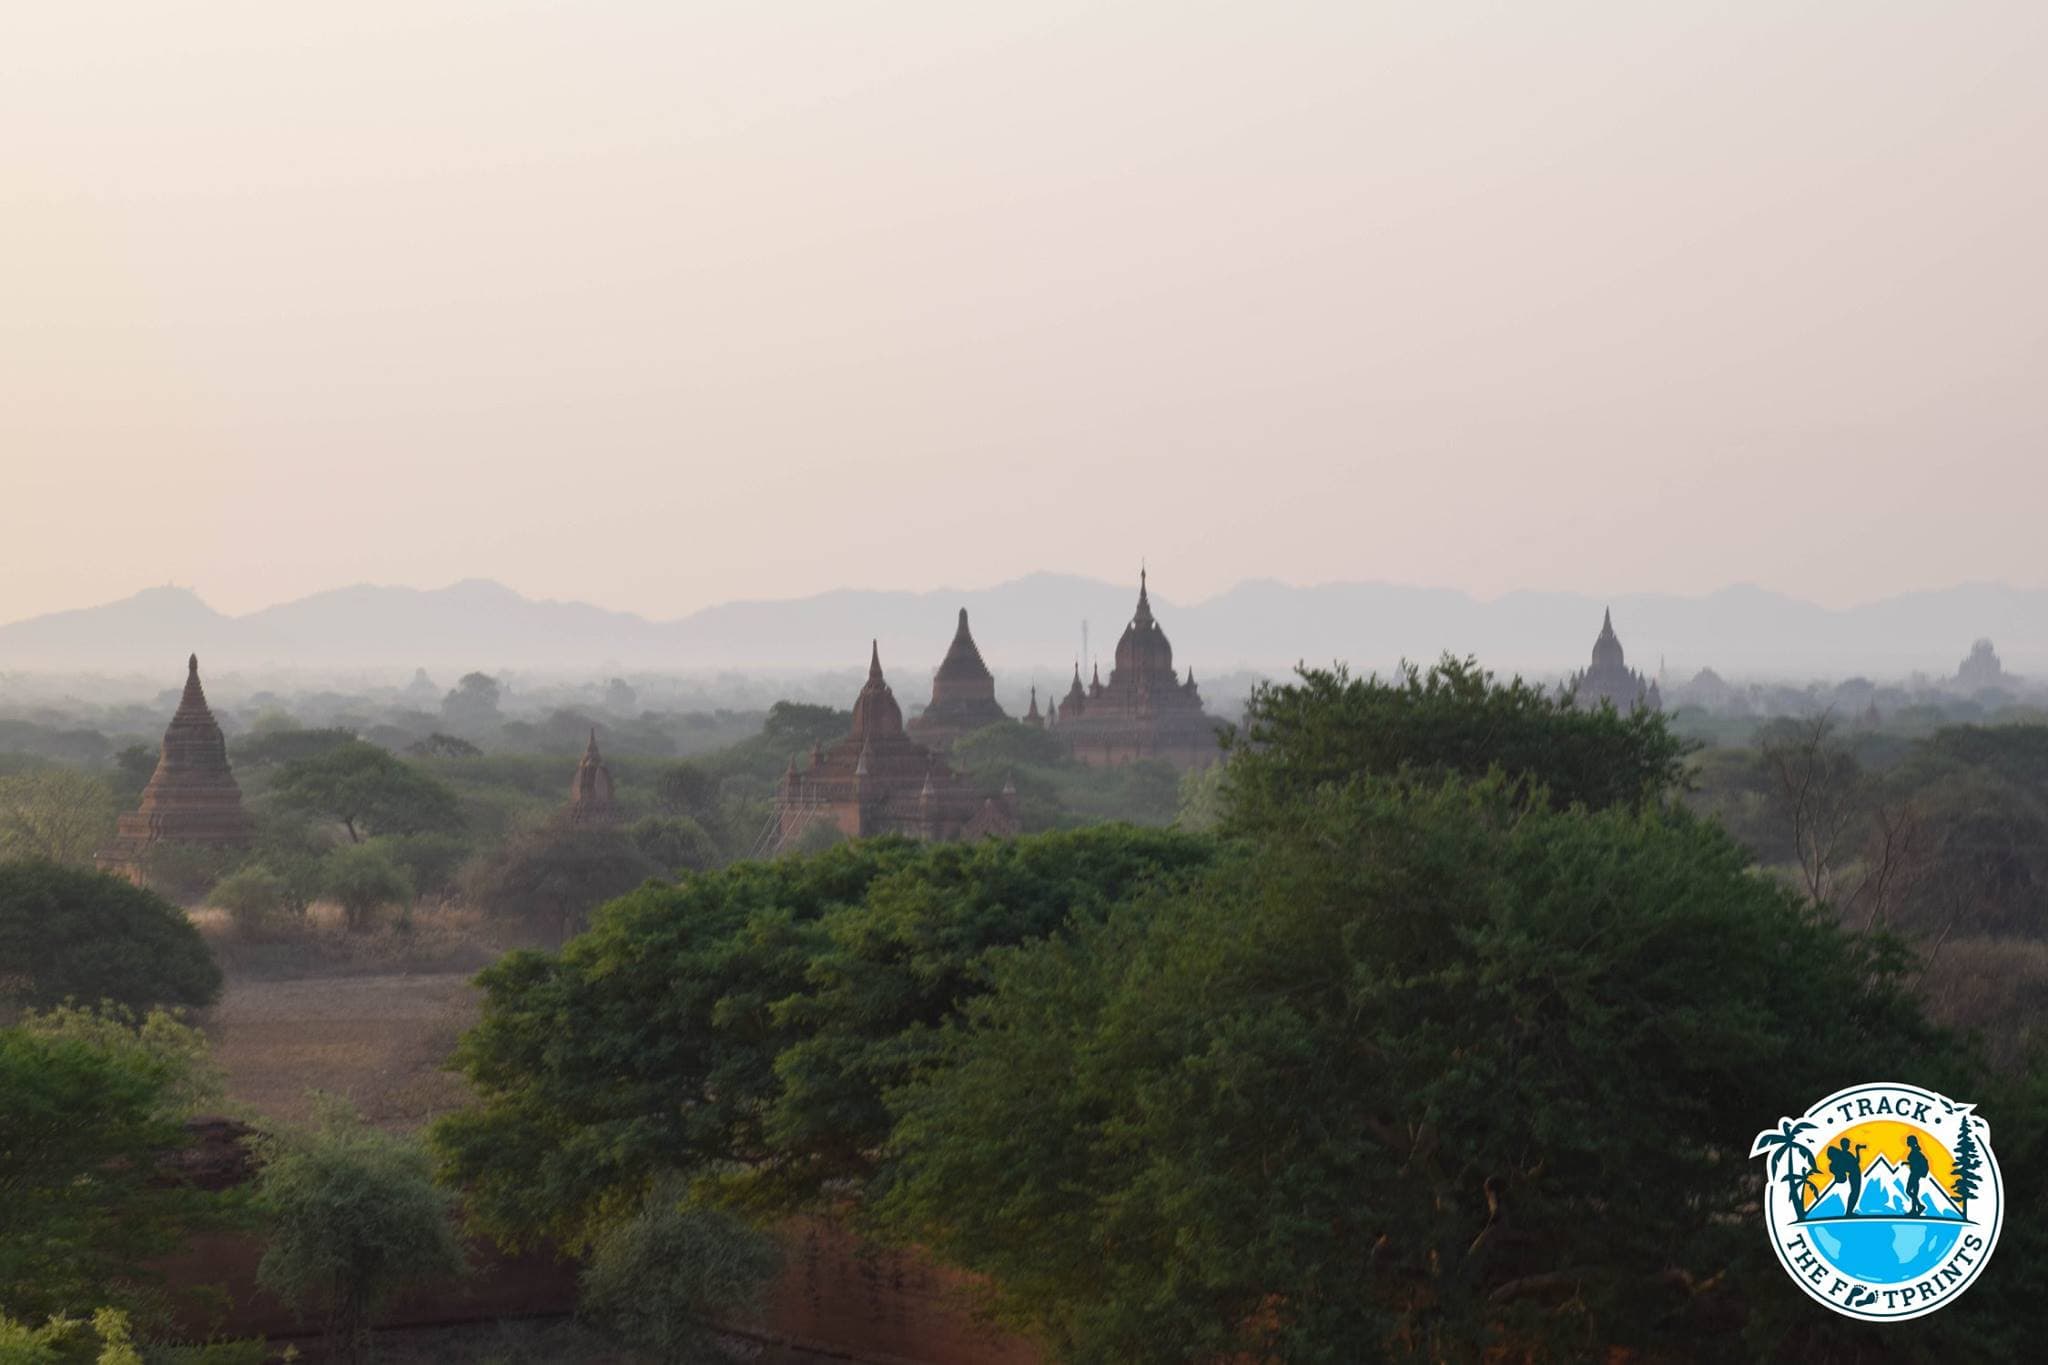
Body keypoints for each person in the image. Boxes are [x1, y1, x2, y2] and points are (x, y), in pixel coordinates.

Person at [1825, 1137, 1863, 1216]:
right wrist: (1857, 1150)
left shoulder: (1843, 1154)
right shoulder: (1846, 1154)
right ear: (1844, 1145)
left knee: (1854, 1193)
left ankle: (1849, 1211)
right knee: (1855, 1193)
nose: (1849, 1145)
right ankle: (1849, 1212)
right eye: (1847, 1144)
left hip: (1854, 1174)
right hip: (1854, 1174)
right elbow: (1856, 1162)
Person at [1904, 1134, 1930, 1216]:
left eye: (1908, 1141)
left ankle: (1918, 1207)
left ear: (1911, 1142)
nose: (1906, 1142)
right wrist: (1907, 1163)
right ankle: (1915, 1209)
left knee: (1909, 1191)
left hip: (1915, 1174)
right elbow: (1914, 1162)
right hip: (1915, 1174)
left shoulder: (1915, 1151)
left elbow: (1916, 1163)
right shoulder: (1914, 1151)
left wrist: (1909, 1163)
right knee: (1913, 1192)